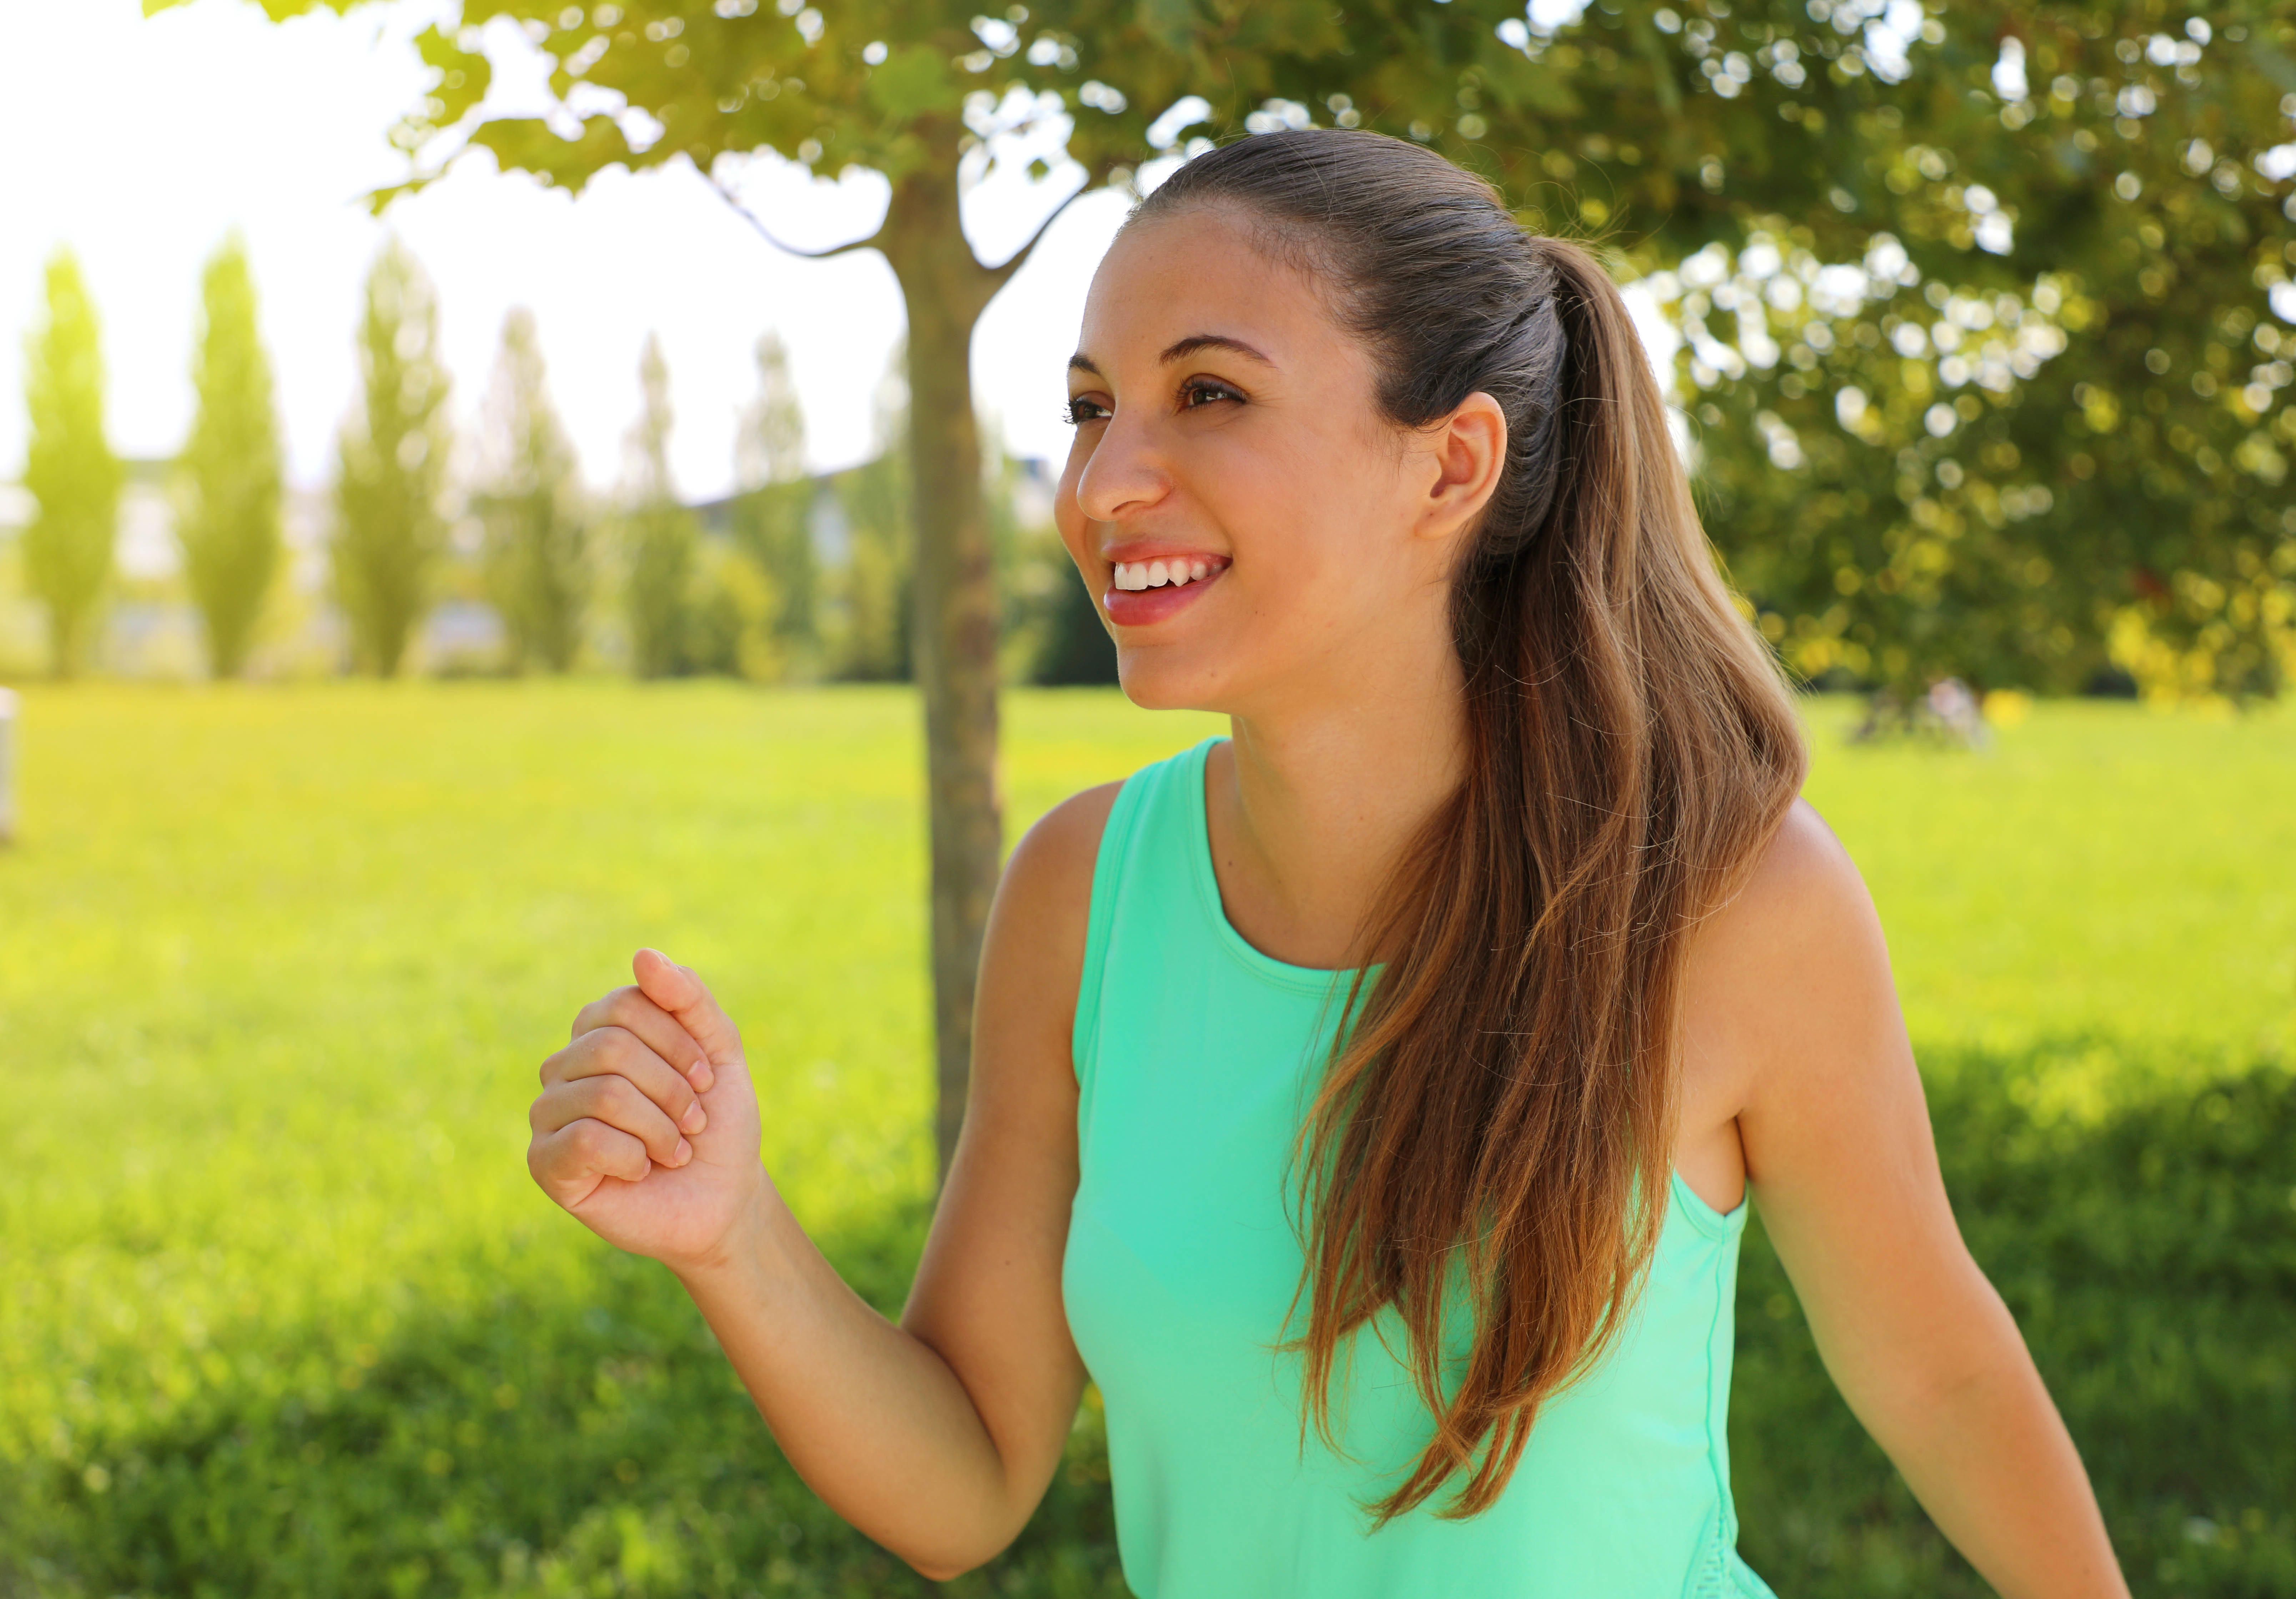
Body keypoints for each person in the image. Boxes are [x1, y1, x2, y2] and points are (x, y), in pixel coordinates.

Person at [524, 129, 2128, 1598]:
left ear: (1451, 465)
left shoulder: (1726, 903)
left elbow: (1940, 1373)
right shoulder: (1085, 894)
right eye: (1092, 409)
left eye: (1207, 394)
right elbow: (968, 1478)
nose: (1104, 483)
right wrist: (731, 1229)